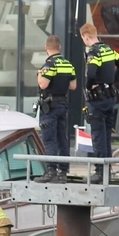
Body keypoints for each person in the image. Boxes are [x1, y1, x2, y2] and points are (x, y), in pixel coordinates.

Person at [79, 22, 119, 184]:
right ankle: (107, 170)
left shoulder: (94, 52)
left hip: (97, 99)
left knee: (98, 136)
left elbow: (91, 73)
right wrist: (114, 79)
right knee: (106, 135)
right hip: (109, 97)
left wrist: (87, 86)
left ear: (86, 37)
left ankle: (100, 172)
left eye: (83, 39)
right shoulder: (108, 49)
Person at [34, 35, 77, 184]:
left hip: (49, 106)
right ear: (59, 48)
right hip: (62, 104)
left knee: (49, 139)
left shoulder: (48, 65)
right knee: (62, 139)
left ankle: (51, 171)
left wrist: (40, 75)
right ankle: (63, 172)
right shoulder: (68, 64)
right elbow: (73, 86)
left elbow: (43, 85)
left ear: (46, 48)